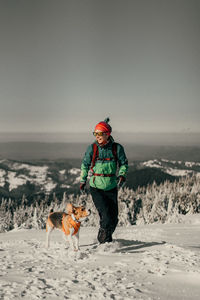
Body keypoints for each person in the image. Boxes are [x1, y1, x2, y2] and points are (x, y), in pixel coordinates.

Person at [80, 118, 128, 243]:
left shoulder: (117, 148)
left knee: (114, 218)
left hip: (111, 187)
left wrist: (122, 175)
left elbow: (123, 163)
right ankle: (104, 242)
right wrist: (82, 180)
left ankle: (107, 239)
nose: (97, 136)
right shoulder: (93, 148)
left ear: (107, 134)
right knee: (106, 216)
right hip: (96, 187)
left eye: (100, 133)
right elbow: (85, 164)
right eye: (95, 133)